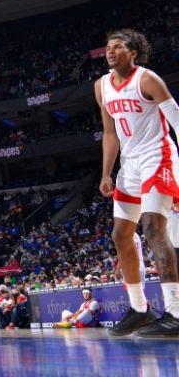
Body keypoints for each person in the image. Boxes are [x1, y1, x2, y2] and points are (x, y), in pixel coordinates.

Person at [96, 29, 179, 337]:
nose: (110, 51)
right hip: (129, 164)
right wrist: (106, 172)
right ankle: (140, 309)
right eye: (108, 47)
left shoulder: (148, 79)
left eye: (118, 46)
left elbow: (176, 120)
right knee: (120, 235)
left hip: (158, 157)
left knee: (155, 227)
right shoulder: (101, 86)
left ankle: (175, 312)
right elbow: (109, 133)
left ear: (133, 53)